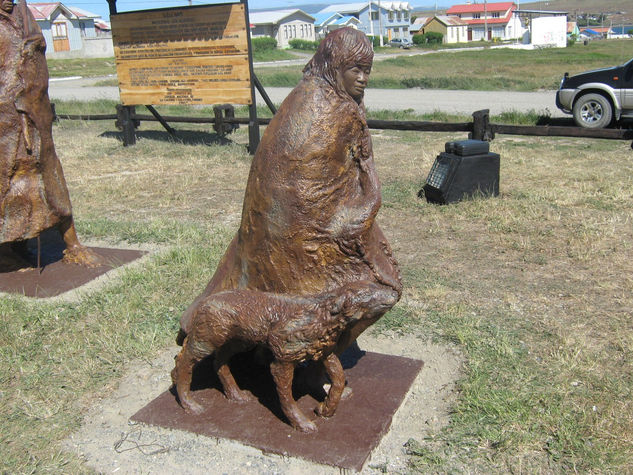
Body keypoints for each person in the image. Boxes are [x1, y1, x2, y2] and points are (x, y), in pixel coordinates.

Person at [178, 27, 401, 357]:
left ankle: (298, 353)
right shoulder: (326, 107)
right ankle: (311, 361)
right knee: (381, 290)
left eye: (367, 71)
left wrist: (364, 202)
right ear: (334, 66)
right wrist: (360, 209)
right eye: (356, 70)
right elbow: (296, 184)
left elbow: (345, 169)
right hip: (304, 235)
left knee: (375, 287)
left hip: (315, 223)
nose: (363, 79)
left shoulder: (317, 97)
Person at [0, 0, 102, 266]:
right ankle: (8, 248)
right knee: (6, 180)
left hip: (32, 112)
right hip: (4, 119)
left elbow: (35, 52)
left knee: (50, 173)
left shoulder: (21, 13)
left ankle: (72, 243)